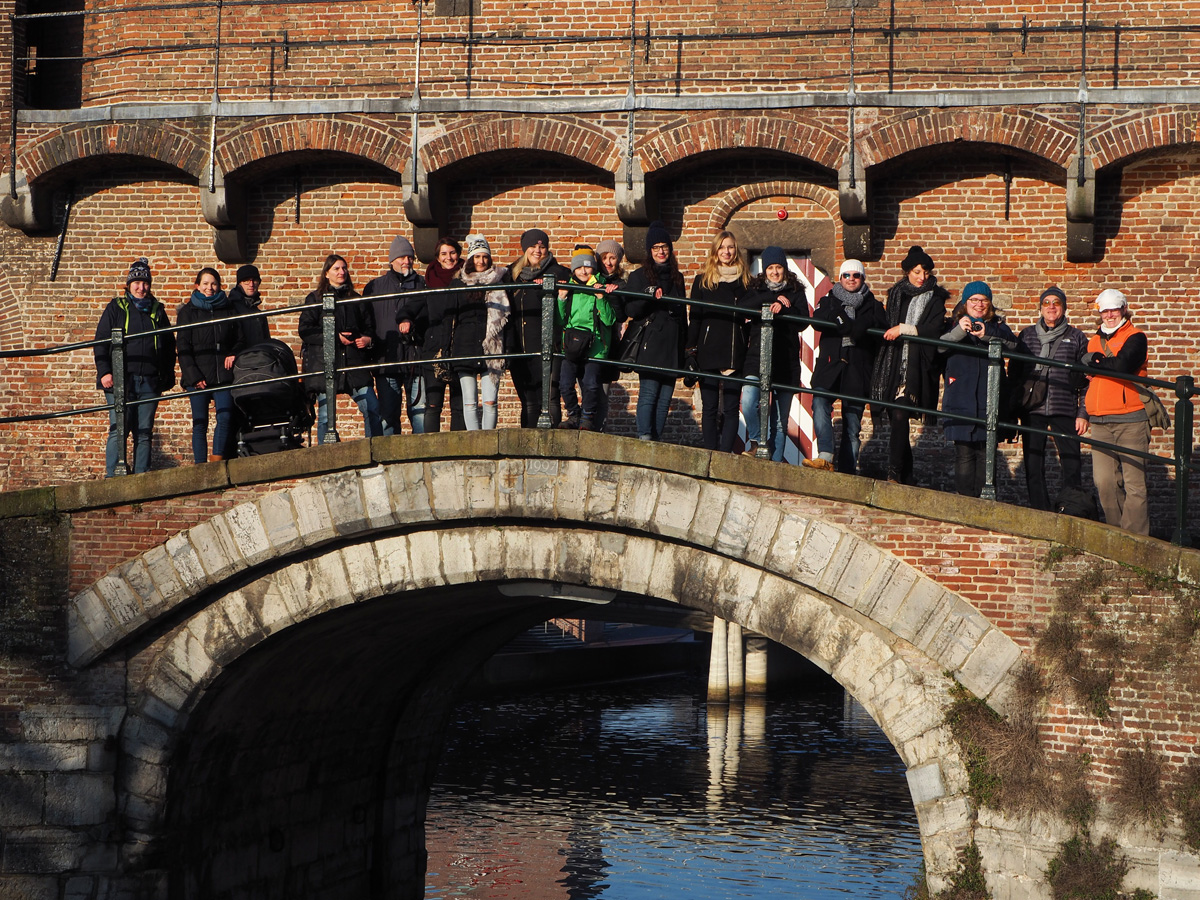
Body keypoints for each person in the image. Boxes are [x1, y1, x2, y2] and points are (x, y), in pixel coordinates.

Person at [869, 245, 950, 484]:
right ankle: (908, 475)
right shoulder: (896, 294)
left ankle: (893, 472)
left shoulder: (935, 298)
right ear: (907, 272)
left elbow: (934, 330)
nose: (921, 277)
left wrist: (904, 329)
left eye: (925, 272)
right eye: (916, 271)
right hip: (893, 364)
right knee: (897, 416)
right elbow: (885, 323)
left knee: (901, 413)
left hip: (916, 367)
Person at [1008, 286, 1089, 511]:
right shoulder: (1027, 335)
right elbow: (1014, 374)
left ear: (1063, 308)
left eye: (1056, 303)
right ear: (1040, 308)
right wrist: (1014, 409)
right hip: (1032, 409)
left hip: (1064, 408)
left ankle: (1070, 508)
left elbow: (1088, 379)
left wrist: (1083, 413)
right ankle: (1040, 510)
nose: (1051, 307)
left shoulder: (1076, 336)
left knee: (1071, 461)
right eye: (1047, 303)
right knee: (1033, 462)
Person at [93, 258, 176, 476]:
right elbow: (101, 340)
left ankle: (141, 476)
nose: (141, 287)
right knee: (118, 429)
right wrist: (105, 372)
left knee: (144, 431)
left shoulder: (157, 311)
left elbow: (168, 344)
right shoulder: (116, 308)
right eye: (137, 282)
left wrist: (166, 375)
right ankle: (113, 475)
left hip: (149, 379)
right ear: (129, 284)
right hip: (121, 378)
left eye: (145, 283)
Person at [804, 259, 887, 473]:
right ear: (839, 278)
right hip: (830, 366)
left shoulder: (873, 305)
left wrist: (860, 325)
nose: (851, 279)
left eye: (856, 275)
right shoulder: (829, 300)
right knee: (820, 403)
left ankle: (848, 471)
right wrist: (838, 317)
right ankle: (825, 456)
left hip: (858, 370)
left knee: (852, 426)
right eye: (846, 275)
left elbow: (881, 327)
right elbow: (817, 319)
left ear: (863, 278)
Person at [938, 281, 1017, 497]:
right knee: (963, 452)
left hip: (988, 399)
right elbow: (939, 346)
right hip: (961, 398)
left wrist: (987, 333)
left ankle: (984, 500)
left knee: (985, 451)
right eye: (974, 300)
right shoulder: (952, 324)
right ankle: (965, 500)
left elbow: (1013, 345)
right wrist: (959, 332)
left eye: (984, 300)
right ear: (965, 303)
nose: (979, 304)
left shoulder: (998, 326)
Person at [1085, 289, 1150, 535]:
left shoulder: (1136, 337)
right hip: (1100, 420)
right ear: (1100, 313)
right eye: (1105, 311)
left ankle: (1136, 539)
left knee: (1135, 484)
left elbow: (1123, 365)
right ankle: (1118, 534)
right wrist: (1090, 367)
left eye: (1114, 310)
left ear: (1123, 309)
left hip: (1130, 418)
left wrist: (1096, 363)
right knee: (1105, 483)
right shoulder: (1093, 340)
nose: (1110, 315)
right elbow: (1077, 373)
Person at [297, 254, 381, 444]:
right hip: (327, 363)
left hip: (353, 362)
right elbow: (306, 330)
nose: (341, 272)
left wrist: (367, 340)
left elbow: (369, 328)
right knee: (326, 416)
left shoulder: (355, 299)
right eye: (336, 268)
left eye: (344, 268)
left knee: (372, 407)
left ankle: (375, 447)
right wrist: (333, 337)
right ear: (327, 273)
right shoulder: (315, 298)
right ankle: (325, 457)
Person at [739, 246, 808, 462]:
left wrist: (784, 307)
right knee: (749, 399)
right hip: (757, 357)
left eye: (778, 267)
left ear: (785, 269)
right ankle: (757, 442)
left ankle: (774, 463)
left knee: (779, 421)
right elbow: (742, 307)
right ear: (764, 269)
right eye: (770, 268)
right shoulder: (756, 288)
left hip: (785, 361)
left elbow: (803, 322)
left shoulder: (795, 292)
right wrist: (773, 299)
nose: (775, 272)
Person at [685, 231, 749, 453]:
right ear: (715, 251)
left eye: (730, 247)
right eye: (722, 247)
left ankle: (724, 455)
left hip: (734, 350)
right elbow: (695, 318)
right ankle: (710, 452)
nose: (726, 251)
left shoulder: (746, 281)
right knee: (710, 407)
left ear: (736, 250)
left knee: (731, 408)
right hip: (708, 349)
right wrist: (690, 350)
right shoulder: (702, 281)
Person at [624, 221, 687, 441]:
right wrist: (647, 295)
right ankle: (644, 437)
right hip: (651, 342)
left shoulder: (677, 277)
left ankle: (656, 441)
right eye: (656, 247)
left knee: (665, 399)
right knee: (649, 394)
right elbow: (631, 309)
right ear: (650, 252)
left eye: (664, 247)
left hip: (672, 344)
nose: (661, 251)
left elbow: (683, 316)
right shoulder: (639, 276)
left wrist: (686, 349)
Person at [177, 267, 243, 462]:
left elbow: (240, 338)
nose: (210, 288)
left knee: (224, 416)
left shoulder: (228, 308)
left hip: (222, 374)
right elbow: (182, 347)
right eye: (205, 283)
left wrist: (233, 353)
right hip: (197, 375)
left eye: (213, 283)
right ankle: (200, 467)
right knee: (200, 422)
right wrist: (194, 376)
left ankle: (216, 463)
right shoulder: (188, 312)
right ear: (197, 286)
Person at [363, 236, 427, 435]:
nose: (406, 261)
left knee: (419, 414)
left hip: (416, 358)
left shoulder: (423, 284)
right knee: (388, 416)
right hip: (386, 359)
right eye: (401, 257)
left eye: (409, 257)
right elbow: (367, 322)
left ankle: (422, 458)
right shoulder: (375, 287)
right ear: (392, 261)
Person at [507, 229, 571, 427]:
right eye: (533, 246)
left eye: (542, 246)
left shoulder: (559, 272)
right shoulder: (512, 274)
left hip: (547, 344)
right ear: (525, 249)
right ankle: (527, 445)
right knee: (528, 401)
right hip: (521, 346)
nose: (538, 250)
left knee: (550, 398)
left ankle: (551, 443)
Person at [449, 234, 510, 430]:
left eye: (484, 256)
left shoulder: (499, 282)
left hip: (491, 347)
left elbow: (506, 318)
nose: (481, 261)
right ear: (470, 259)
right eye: (477, 256)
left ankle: (489, 441)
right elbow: (451, 317)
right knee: (470, 401)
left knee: (490, 401)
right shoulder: (458, 284)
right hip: (465, 346)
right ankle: (474, 442)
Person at [557, 245, 618, 431]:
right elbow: (560, 320)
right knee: (565, 384)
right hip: (572, 345)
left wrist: (601, 297)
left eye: (587, 267)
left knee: (591, 385)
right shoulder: (568, 287)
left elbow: (609, 320)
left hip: (596, 346)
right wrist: (561, 299)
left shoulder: (601, 286)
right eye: (579, 267)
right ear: (573, 269)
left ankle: (587, 417)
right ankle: (574, 415)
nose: (583, 271)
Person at [228, 264, 271, 347]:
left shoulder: (258, 312)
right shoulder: (230, 308)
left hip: (257, 356)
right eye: (246, 281)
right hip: (240, 357)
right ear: (239, 283)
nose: (251, 284)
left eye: (254, 280)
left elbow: (266, 341)